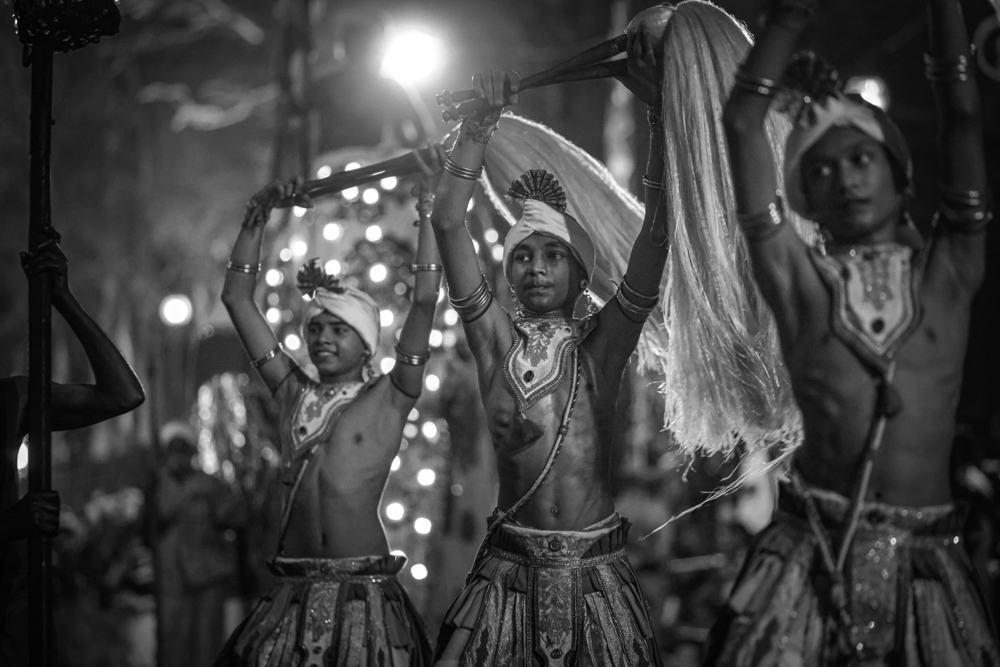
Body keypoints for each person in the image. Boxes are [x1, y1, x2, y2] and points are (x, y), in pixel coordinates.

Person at [706, 0, 999, 664]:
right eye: (822, 168)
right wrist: (787, 19)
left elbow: (963, 111)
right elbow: (742, 119)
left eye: (861, 157)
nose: (844, 178)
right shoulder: (798, 281)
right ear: (804, 194)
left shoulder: (950, 271)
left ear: (900, 174)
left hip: (929, 568)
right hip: (807, 558)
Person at [428, 40, 671, 664]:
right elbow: (449, 222)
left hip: (596, 579)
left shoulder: (601, 349)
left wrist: (659, 119)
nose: (536, 268)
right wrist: (479, 126)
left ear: (580, 274)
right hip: (506, 577)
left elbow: (654, 241)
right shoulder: (492, 342)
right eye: (522, 257)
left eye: (553, 255)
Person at [214, 151, 444, 666]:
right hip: (290, 589)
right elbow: (236, 298)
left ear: (367, 345)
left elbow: (426, 297)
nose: (321, 338)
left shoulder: (389, 395)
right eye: (315, 329)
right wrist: (258, 212)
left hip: (365, 591)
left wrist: (429, 207)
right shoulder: (292, 391)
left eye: (339, 330)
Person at [0, 228, 145, 665]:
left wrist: (62, 299)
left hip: (13, 608)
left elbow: (123, 395)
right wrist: (8, 525)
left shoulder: (10, 399)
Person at [157, 420, 245, 667]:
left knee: (207, 645)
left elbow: (232, 517)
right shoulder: (158, 486)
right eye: (172, 450)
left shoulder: (208, 484)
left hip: (208, 574)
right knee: (174, 642)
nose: (177, 457)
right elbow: (152, 524)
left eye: (182, 450)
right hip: (173, 578)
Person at [308, 13, 433, 153]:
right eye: (352, 43)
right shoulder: (325, 85)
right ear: (344, 47)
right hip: (331, 163)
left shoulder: (390, 88)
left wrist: (400, 153)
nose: (358, 50)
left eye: (363, 44)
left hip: (373, 161)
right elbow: (299, 116)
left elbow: (419, 130)